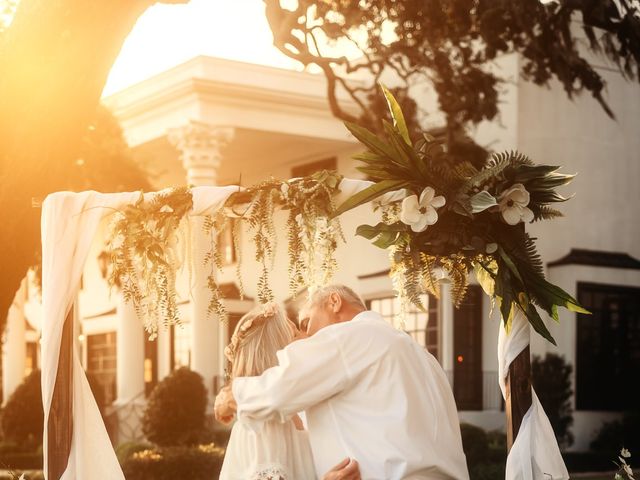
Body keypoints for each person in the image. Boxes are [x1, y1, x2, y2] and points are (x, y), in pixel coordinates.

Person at [215, 285, 469, 480]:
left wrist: (232, 396)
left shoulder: (351, 336)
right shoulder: (423, 357)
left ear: (334, 302)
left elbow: (281, 390)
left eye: (306, 323)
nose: (308, 338)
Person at [218, 302, 361, 480]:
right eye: (294, 334)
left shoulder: (294, 414)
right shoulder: (266, 426)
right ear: (276, 354)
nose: (306, 336)